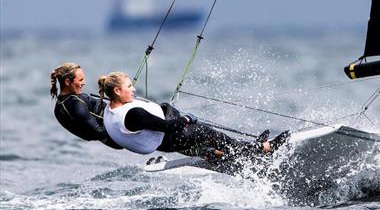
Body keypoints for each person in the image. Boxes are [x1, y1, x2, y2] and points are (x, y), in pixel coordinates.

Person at [97, 71, 286, 161]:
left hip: (162, 143)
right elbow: (169, 127)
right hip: (170, 139)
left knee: (167, 109)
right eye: (129, 87)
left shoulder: (109, 109)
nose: (133, 89)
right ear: (117, 91)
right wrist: (187, 119)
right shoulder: (133, 114)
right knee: (213, 135)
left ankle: (217, 152)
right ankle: (262, 149)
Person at [51, 63, 121, 149]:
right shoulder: (75, 103)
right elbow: (98, 132)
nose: (83, 83)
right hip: (117, 127)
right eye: (80, 80)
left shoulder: (59, 107)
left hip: (112, 135)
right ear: (67, 82)